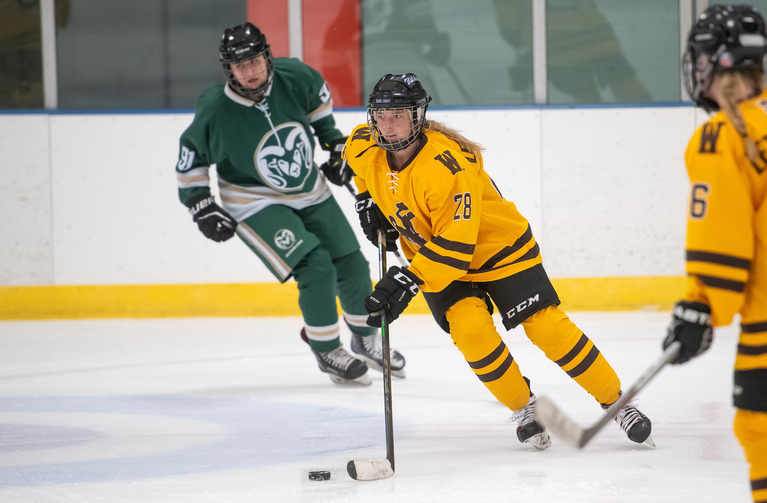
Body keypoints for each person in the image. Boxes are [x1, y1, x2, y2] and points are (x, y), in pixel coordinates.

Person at [343, 72, 652, 449]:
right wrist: (367, 201)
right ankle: (526, 409)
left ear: (418, 117)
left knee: (546, 328)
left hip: (497, 250)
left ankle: (618, 403)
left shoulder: (445, 167)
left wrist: (407, 281)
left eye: (399, 116)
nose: (388, 127)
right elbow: (357, 163)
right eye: (381, 116)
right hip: (437, 261)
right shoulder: (364, 144)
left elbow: (455, 247)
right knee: (471, 333)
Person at [173, 22, 406, 386]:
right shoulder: (215, 109)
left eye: (254, 61)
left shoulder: (297, 77)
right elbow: (191, 159)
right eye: (239, 65)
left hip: (308, 189)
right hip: (253, 201)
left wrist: (336, 148)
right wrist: (199, 202)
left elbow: (322, 123)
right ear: (228, 69)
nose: (249, 71)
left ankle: (365, 338)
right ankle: (327, 348)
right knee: (315, 266)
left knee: (351, 262)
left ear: (267, 56)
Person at [664, 5, 767, 502]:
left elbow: (722, 241)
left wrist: (700, 304)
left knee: (760, 432)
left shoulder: (720, 136)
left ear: (713, 63)